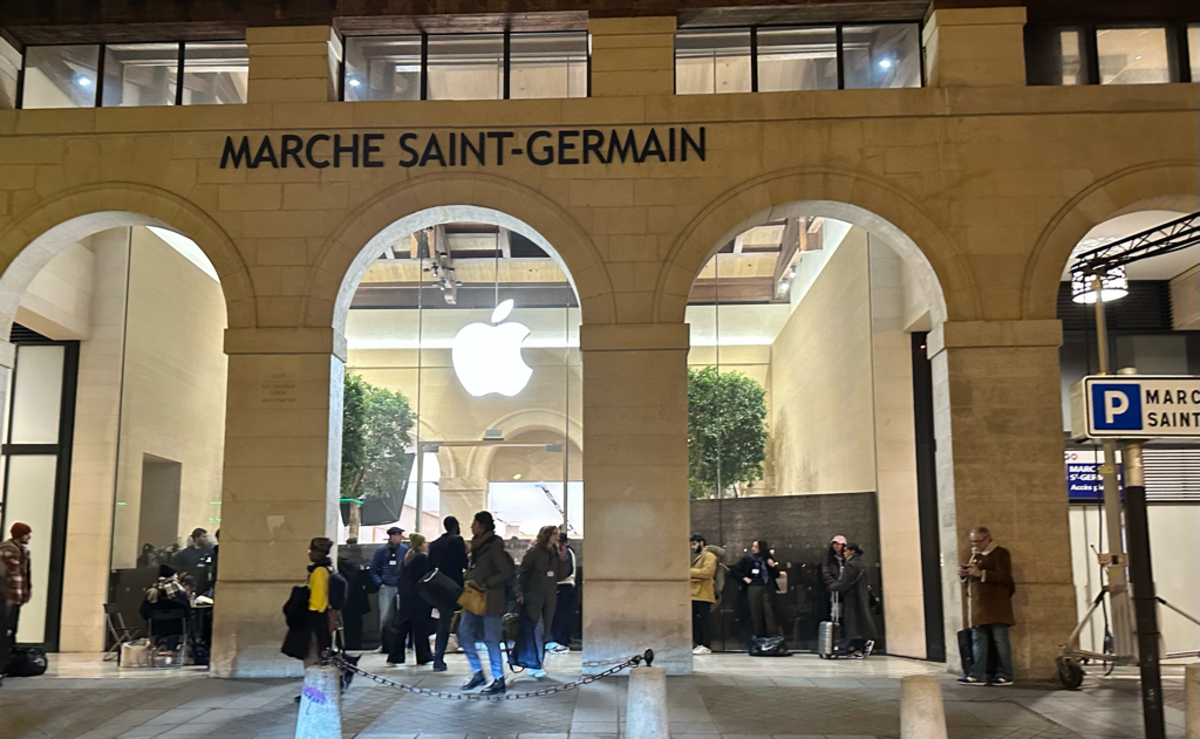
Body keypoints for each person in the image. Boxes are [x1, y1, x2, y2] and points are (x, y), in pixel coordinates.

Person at [459, 511, 514, 695]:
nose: (471, 527)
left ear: (482, 526)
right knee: (464, 634)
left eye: (474, 523)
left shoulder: (492, 547)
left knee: (491, 639)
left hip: (491, 599)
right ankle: (477, 672)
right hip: (475, 597)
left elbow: (506, 571)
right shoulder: (477, 547)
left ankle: (498, 678)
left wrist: (486, 583)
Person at [958, 526, 1015, 686]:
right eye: (972, 541)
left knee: (1000, 640)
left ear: (987, 538)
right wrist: (965, 575)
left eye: (978, 541)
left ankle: (1005, 674)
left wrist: (982, 574)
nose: (975, 545)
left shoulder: (1000, 553)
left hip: (997, 606)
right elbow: (973, 576)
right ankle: (978, 674)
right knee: (978, 640)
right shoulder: (975, 555)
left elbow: (1005, 577)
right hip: (979, 607)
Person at [516, 525, 570, 678]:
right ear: (546, 535)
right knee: (536, 630)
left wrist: (562, 558)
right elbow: (523, 573)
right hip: (533, 596)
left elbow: (561, 574)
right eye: (554, 534)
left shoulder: (554, 553)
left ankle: (537, 662)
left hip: (549, 596)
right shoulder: (534, 552)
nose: (556, 537)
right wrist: (520, 592)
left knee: (544, 631)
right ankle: (535, 663)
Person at [428, 516, 468, 671]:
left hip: (438, 586)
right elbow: (463, 562)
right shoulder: (457, 540)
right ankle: (462, 646)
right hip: (454, 586)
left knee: (443, 622)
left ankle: (438, 657)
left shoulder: (435, 544)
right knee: (458, 618)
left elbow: (430, 565)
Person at [388, 533, 433, 667]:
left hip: (407, 597)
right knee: (420, 627)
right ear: (420, 544)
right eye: (424, 543)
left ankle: (395, 656)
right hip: (418, 597)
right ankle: (423, 655)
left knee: (403, 627)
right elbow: (425, 578)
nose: (426, 545)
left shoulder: (408, 556)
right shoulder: (421, 558)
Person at [827, 543, 878, 658]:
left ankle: (858, 647)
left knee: (852, 624)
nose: (844, 553)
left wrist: (833, 587)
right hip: (862, 596)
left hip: (852, 598)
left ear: (852, 551)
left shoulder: (850, 565)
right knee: (860, 622)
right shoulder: (864, 564)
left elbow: (846, 582)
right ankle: (861, 644)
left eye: (846, 551)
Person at [730, 539, 779, 638]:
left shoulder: (767, 559)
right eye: (753, 546)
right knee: (755, 611)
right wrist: (745, 578)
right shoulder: (748, 559)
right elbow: (734, 570)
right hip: (754, 586)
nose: (753, 549)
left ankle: (772, 634)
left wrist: (772, 566)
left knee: (768, 610)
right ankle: (757, 635)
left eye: (756, 547)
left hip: (766, 587)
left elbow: (775, 575)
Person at [370, 526, 408, 642]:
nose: (400, 537)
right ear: (391, 537)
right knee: (384, 615)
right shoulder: (382, 551)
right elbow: (373, 569)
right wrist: (379, 583)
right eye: (397, 535)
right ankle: (385, 641)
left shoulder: (404, 549)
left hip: (401, 585)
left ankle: (403, 641)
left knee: (403, 615)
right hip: (386, 585)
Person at [0, 522, 32, 645]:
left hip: (14, 597)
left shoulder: (22, 551)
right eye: (26, 534)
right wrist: (13, 597)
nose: (29, 537)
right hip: (8, 596)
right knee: (6, 627)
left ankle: (8, 654)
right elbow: (14, 575)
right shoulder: (9, 550)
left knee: (11, 628)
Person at [547, 532, 577, 655]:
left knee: (560, 616)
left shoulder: (565, 553)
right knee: (561, 616)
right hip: (565, 586)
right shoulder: (568, 552)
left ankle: (560, 641)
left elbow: (565, 571)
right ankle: (560, 640)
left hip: (563, 586)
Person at [689, 534, 719, 655]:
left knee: (704, 620)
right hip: (695, 593)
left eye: (694, 544)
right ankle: (699, 643)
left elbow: (707, 572)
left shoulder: (709, 556)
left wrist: (687, 571)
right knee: (696, 621)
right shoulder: (701, 556)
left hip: (703, 593)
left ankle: (706, 644)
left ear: (701, 543)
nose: (692, 547)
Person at [822, 535, 847, 622]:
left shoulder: (848, 560)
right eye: (835, 544)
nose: (837, 546)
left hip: (846, 590)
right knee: (835, 611)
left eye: (839, 544)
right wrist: (834, 585)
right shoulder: (829, 559)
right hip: (834, 590)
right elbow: (826, 574)